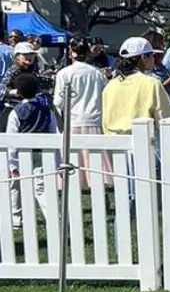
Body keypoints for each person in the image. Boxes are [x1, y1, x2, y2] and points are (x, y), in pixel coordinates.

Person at [102, 37, 170, 197]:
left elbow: (106, 122)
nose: (153, 59)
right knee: (147, 197)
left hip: (117, 147)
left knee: (125, 197)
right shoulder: (151, 84)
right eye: (150, 55)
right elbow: (166, 118)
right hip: (145, 147)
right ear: (143, 58)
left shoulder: (110, 86)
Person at [54, 37, 108, 189]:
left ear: (71, 52)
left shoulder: (64, 73)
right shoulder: (97, 73)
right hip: (94, 119)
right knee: (95, 160)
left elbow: (58, 101)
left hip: (74, 120)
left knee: (72, 157)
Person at [6, 70, 56, 229]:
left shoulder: (16, 112)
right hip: (42, 153)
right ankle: (52, 217)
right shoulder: (47, 109)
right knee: (40, 188)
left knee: (16, 186)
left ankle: (16, 218)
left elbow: (11, 138)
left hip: (22, 155)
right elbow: (53, 131)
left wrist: (12, 164)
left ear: (19, 92)